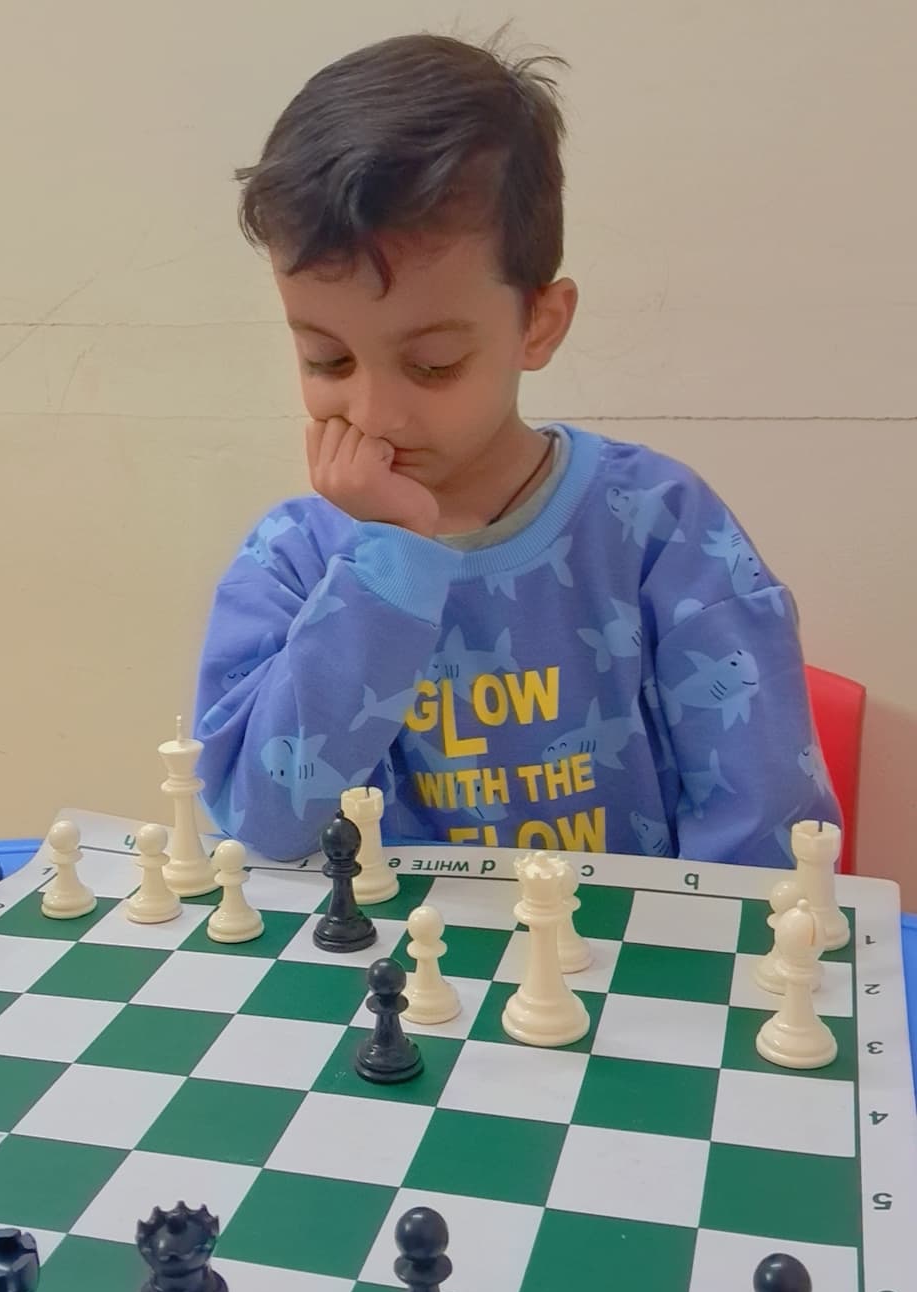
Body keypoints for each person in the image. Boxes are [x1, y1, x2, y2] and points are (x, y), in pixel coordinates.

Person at [194, 32, 839, 865]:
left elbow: (770, 840)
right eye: (327, 358)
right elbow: (263, 827)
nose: (374, 411)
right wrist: (388, 555)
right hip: (393, 983)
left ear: (539, 322)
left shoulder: (662, 530)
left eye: (432, 364)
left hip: (612, 981)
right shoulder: (293, 559)